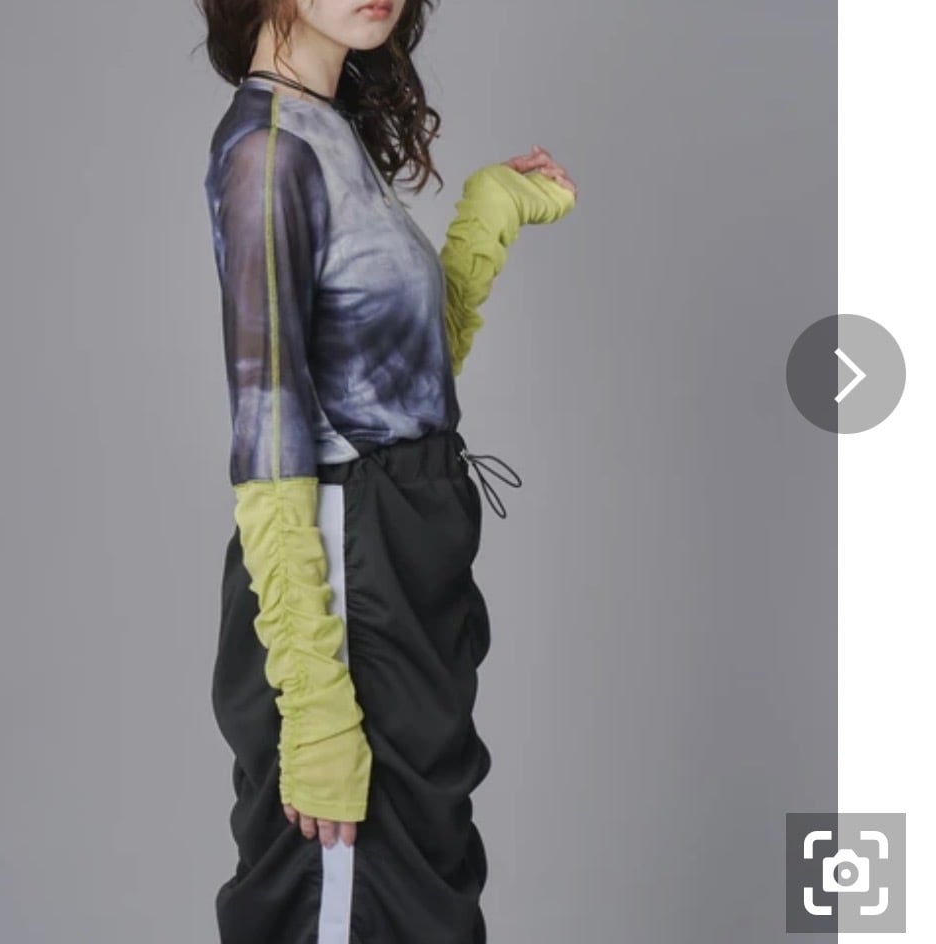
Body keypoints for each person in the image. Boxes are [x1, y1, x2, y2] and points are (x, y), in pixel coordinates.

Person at [199, 2, 576, 941]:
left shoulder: (324, 130)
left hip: (403, 547)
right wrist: (315, 707)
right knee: (356, 900)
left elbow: (394, 375)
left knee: (416, 888)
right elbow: (269, 442)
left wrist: (488, 212)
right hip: (345, 566)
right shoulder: (268, 153)